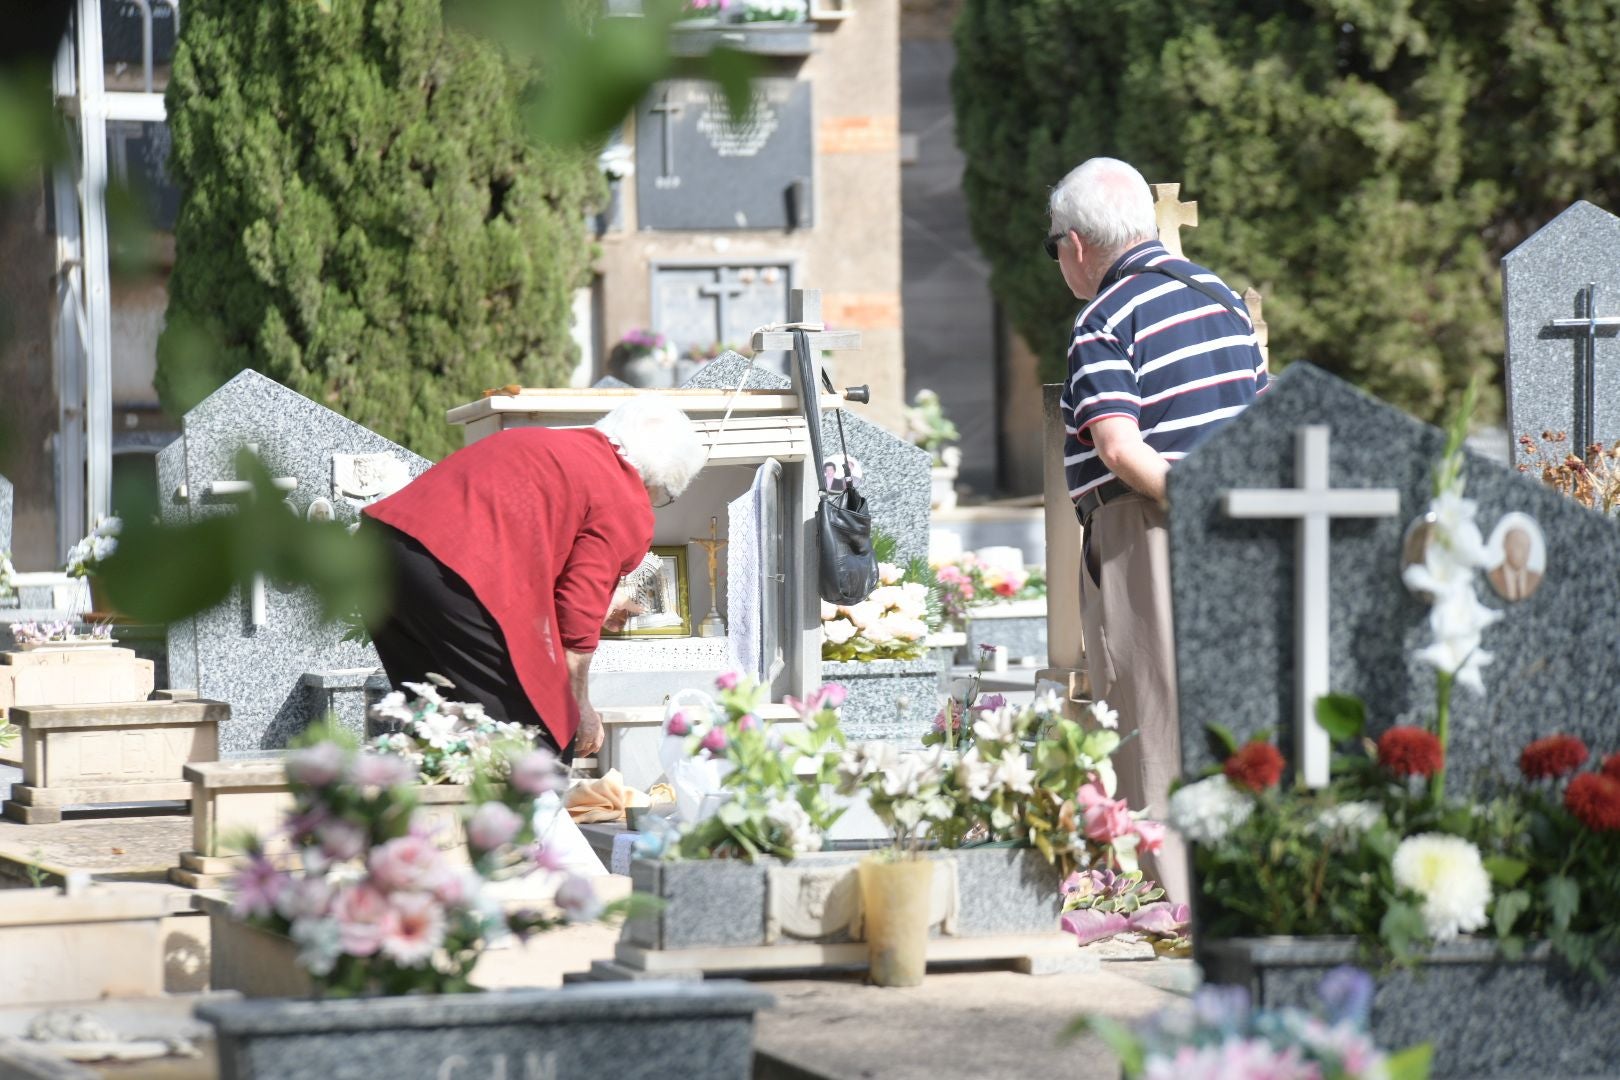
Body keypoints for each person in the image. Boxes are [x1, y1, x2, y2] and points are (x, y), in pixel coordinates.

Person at [1052, 158, 1267, 901]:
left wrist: (1194, 500)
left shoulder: (1104, 319)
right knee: (1229, 707)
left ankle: (1172, 897)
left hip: (1152, 523)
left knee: (1152, 713)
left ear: (1077, 244)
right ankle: (1247, 873)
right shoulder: (1218, 295)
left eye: (1054, 246)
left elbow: (1117, 446)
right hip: (1244, 526)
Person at [360, 396, 707, 759]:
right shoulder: (626, 497)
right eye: (664, 497)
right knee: (535, 739)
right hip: (452, 571)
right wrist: (580, 710)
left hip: (379, 548)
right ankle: (531, 811)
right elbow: (576, 612)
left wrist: (609, 597)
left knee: (442, 725)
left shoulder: (551, 443)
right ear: (661, 482)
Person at [1488, 525, 1543, 601]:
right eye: (1519, 546)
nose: (1525, 552)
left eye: (1527, 547)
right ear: (1506, 547)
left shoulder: (1535, 578)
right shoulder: (1493, 576)